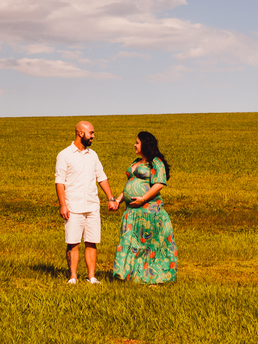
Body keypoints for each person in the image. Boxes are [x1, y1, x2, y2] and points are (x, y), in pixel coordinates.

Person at [54, 120, 118, 284]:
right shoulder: (65, 155)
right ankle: (73, 277)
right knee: (73, 242)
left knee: (92, 241)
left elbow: (101, 177)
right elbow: (59, 182)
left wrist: (110, 198)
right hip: (73, 206)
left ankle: (91, 277)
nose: (93, 136)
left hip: (92, 205)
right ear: (80, 133)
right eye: (91, 133)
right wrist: (63, 204)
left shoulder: (93, 155)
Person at [112, 130, 177, 284]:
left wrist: (143, 198)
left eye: (137, 142)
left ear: (145, 144)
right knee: (130, 243)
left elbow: (159, 183)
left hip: (149, 212)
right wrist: (118, 200)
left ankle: (154, 277)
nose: (134, 145)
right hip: (132, 213)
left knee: (150, 245)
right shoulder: (136, 162)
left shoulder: (155, 162)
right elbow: (129, 185)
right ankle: (130, 275)